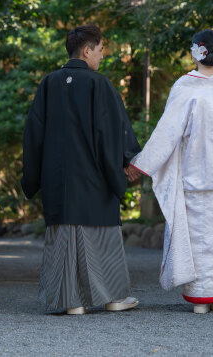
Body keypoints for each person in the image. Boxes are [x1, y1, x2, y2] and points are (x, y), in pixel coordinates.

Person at [127, 29, 213, 313]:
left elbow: (167, 132)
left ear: (195, 53)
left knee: (196, 233)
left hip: (193, 171)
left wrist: (142, 164)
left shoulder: (184, 88)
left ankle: (200, 294)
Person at [22, 24, 141, 315]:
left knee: (63, 235)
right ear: (87, 50)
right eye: (100, 51)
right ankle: (113, 297)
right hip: (94, 177)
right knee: (101, 235)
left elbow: (33, 135)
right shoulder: (100, 85)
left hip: (58, 179)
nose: (102, 57)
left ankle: (71, 301)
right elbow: (113, 131)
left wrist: (33, 176)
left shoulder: (48, 84)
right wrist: (128, 161)